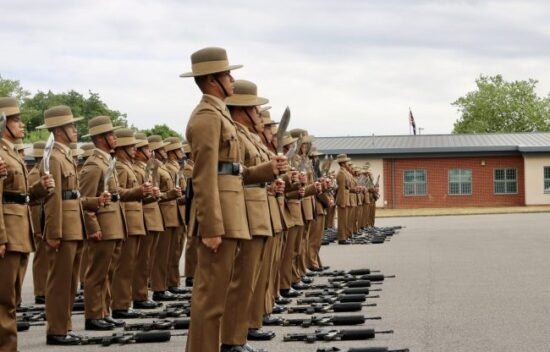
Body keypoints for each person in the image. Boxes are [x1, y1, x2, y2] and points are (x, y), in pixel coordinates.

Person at [180, 47, 286, 352]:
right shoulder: (205, 117)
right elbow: (203, 176)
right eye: (227, 74)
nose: (232, 78)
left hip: (232, 213)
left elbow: (234, 173)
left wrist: (267, 170)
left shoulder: (218, 116)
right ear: (213, 80)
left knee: (220, 292)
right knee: (210, 297)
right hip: (220, 219)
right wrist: (210, 226)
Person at [79, 115, 151, 330]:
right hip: (104, 225)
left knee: (108, 272)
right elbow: (86, 199)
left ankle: (103, 311)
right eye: (111, 135)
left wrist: (140, 191)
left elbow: (116, 193)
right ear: (101, 138)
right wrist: (93, 228)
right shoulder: (94, 165)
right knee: (97, 273)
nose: (114, 138)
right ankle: (93, 315)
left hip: (115, 223)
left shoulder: (106, 162)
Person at [37, 105, 101, 345]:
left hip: (74, 225)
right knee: (60, 283)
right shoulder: (53, 157)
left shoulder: (64, 154)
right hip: (63, 227)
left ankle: (64, 327)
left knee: (70, 282)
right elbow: (53, 198)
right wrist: (53, 232)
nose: (75, 129)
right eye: (71, 125)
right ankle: (56, 330)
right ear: (60, 130)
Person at [0, 97, 54, 351]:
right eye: (16, 121)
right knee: (4, 300)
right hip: (8, 234)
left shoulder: (10, 152)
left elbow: (21, 196)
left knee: (11, 299)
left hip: (19, 231)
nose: (22, 126)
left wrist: (40, 189)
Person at [110, 128, 148, 318]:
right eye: (130, 146)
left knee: (131, 264)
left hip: (136, 219)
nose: (135, 149)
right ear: (121, 148)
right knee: (124, 266)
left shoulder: (128, 166)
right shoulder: (119, 167)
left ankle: (125, 302)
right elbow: (120, 194)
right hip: (128, 219)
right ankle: (120, 305)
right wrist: (139, 191)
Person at [131, 133, 164, 309]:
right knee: (141, 261)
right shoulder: (133, 169)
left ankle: (142, 294)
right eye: (146, 149)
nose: (150, 152)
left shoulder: (146, 168)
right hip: (142, 217)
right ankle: (139, 295)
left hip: (152, 216)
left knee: (148, 260)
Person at [28, 141, 47, 305]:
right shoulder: (35, 173)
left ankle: (43, 288)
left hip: (43, 213)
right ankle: (40, 290)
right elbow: (34, 202)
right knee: (41, 256)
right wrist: (38, 227)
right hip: (37, 214)